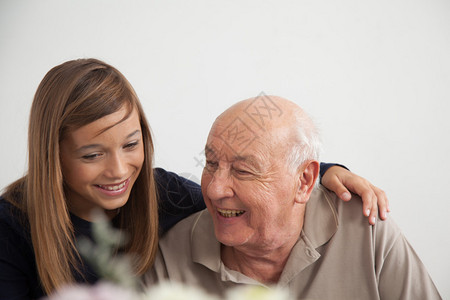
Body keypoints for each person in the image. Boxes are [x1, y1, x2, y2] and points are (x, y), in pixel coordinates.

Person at [0, 59, 387, 300]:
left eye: (131, 144)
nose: (119, 170)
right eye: (92, 155)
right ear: (53, 156)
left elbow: (246, 196)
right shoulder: (10, 228)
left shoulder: (158, 192)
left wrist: (327, 172)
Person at [146, 96, 441, 299]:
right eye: (211, 164)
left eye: (243, 170)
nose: (214, 189)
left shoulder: (368, 228)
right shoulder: (168, 259)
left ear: (304, 181)